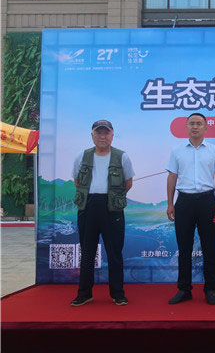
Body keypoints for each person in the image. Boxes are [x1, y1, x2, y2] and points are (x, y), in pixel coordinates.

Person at [70, 120, 134, 307]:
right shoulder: (82, 156)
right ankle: (84, 293)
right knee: (87, 252)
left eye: (106, 133)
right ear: (92, 136)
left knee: (114, 252)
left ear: (112, 135)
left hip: (112, 209)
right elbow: (77, 181)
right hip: (88, 207)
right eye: (99, 133)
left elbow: (128, 183)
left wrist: (113, 197)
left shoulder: (122, 157)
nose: (102, 137)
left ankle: (117, 293)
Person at [166, 113, 215, 305]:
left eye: (199, 124)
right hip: (184, 201)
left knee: (209, 247)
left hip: (207, 201)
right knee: (184, 248)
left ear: (206, 128)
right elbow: (172, 177)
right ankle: (184, 289)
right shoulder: (177, 151)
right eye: (191, 123)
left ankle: (211, 289)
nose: (195, 127)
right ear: (186, 127)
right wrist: (170, 203)